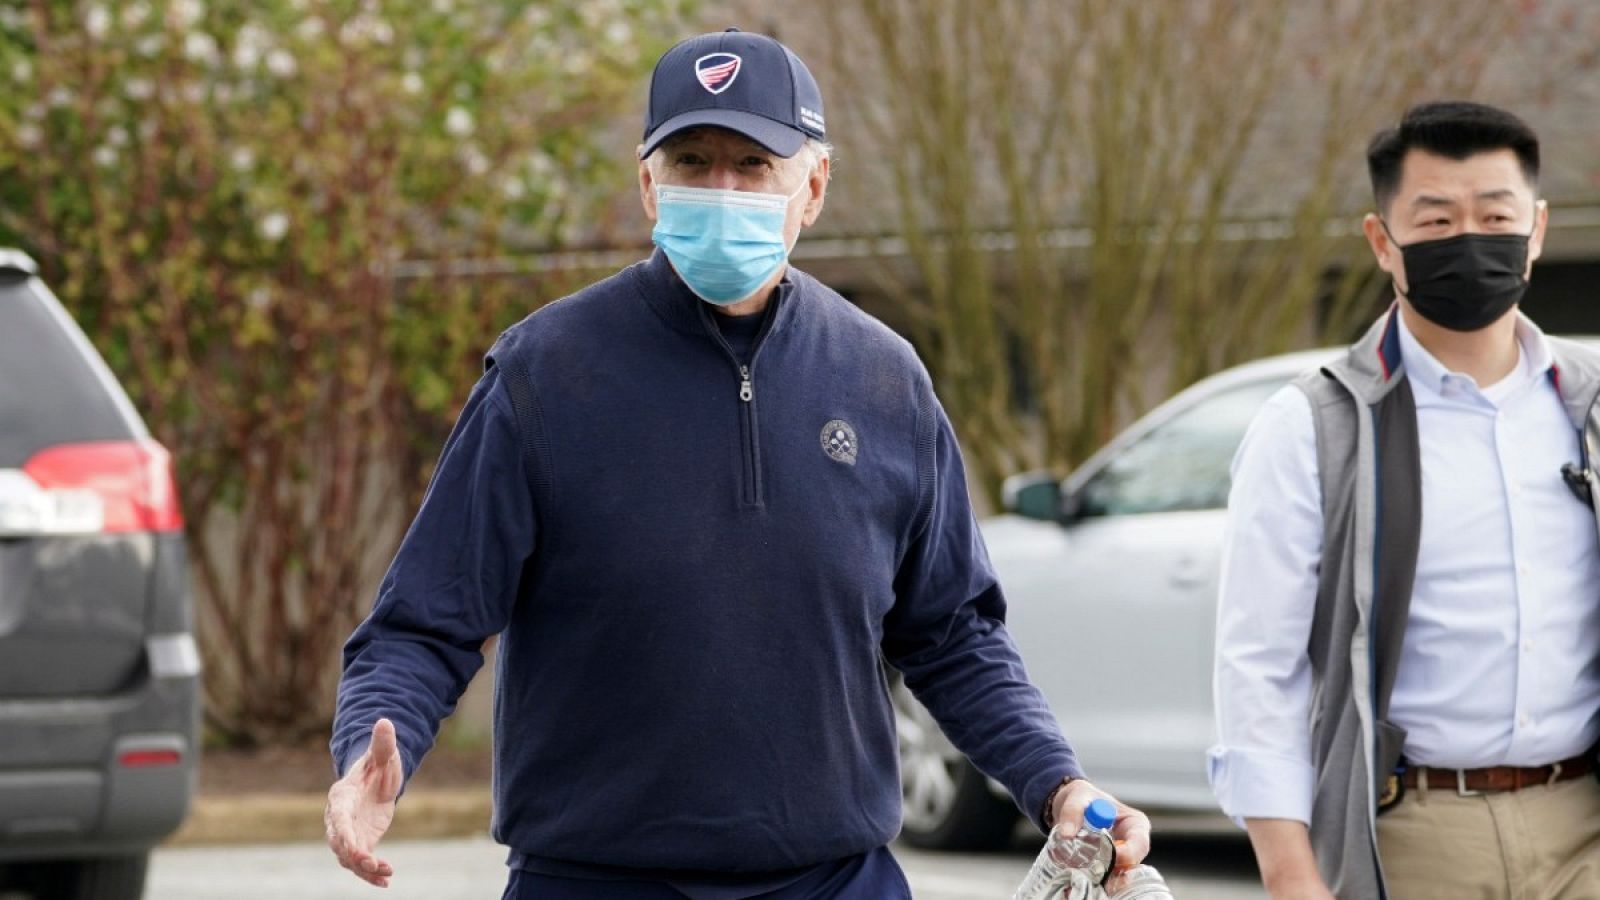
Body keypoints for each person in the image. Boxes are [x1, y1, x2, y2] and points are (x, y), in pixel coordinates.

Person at [324, 28, 1151, 898]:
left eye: (753, 165)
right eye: (691, 160)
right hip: (595, 880)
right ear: (649, 184)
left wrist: (1057, 783)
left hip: (837, 880)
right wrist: (370, 755)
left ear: (814, 187)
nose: (721, 189)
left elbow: (952, 636)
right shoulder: (545, 376)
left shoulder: (884, 380)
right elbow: (425, 621)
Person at [1209, 100, 1600, 900]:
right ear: (1382, 242)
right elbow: (1259, 668)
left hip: (1584, 823)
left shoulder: (1588, 407)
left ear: (1536, 230)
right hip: (1415, 832)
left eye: (1496, 215)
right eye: (1436, 219)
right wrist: (1291, 875)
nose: (1470, 239)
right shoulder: (1313, 428)